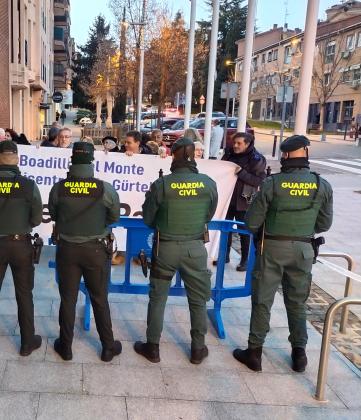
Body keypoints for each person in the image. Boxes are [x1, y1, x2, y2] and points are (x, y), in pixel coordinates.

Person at [233, 135, 333, 372]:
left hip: (272, 250)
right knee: (298, 302)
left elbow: (251, 223)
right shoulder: (322, 184)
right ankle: (299, 355)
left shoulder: (271, 183)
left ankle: (254, 353)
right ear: (306, 153)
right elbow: (324, 224)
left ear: (285, 155)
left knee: (262, 301)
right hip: (304, 250)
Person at [135, 137, 218, 365]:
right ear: (194, 156)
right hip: (195, 248)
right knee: (198, 301)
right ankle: (198, 350)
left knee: (158, 298)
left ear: (174, 156)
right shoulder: (208, 183)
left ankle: (152, 347)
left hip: (166, 249)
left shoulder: (163, 184)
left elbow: (148, 219)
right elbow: (208, 217)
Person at [48, 142, 122, 362]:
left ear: (72, 161)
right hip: (96, 250)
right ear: (92, 161)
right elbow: (114, 217)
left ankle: (66, 347)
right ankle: (108, 347)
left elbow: (54, 215)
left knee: (67, 299)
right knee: (100, 299)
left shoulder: (59, 188)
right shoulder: (105, 188)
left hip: (67, 250)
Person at [0, 141, 43, 356]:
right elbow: (37, 218)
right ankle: (26, 343)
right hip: (21, 245)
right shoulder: (29, 185)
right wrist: (21, 227)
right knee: (24, 295)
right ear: (18, 160)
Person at [214, 132, 267, 271]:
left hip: (245, 200)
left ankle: (244, 260)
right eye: (234, 142)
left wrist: (241, 172)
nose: (235, 145)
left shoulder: (257, 159)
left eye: (239, 143)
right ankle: (224, 256)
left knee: (244, 232)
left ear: (247, 144)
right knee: (225, 229)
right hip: (227, 198)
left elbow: (259, 181)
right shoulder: (229, 154)